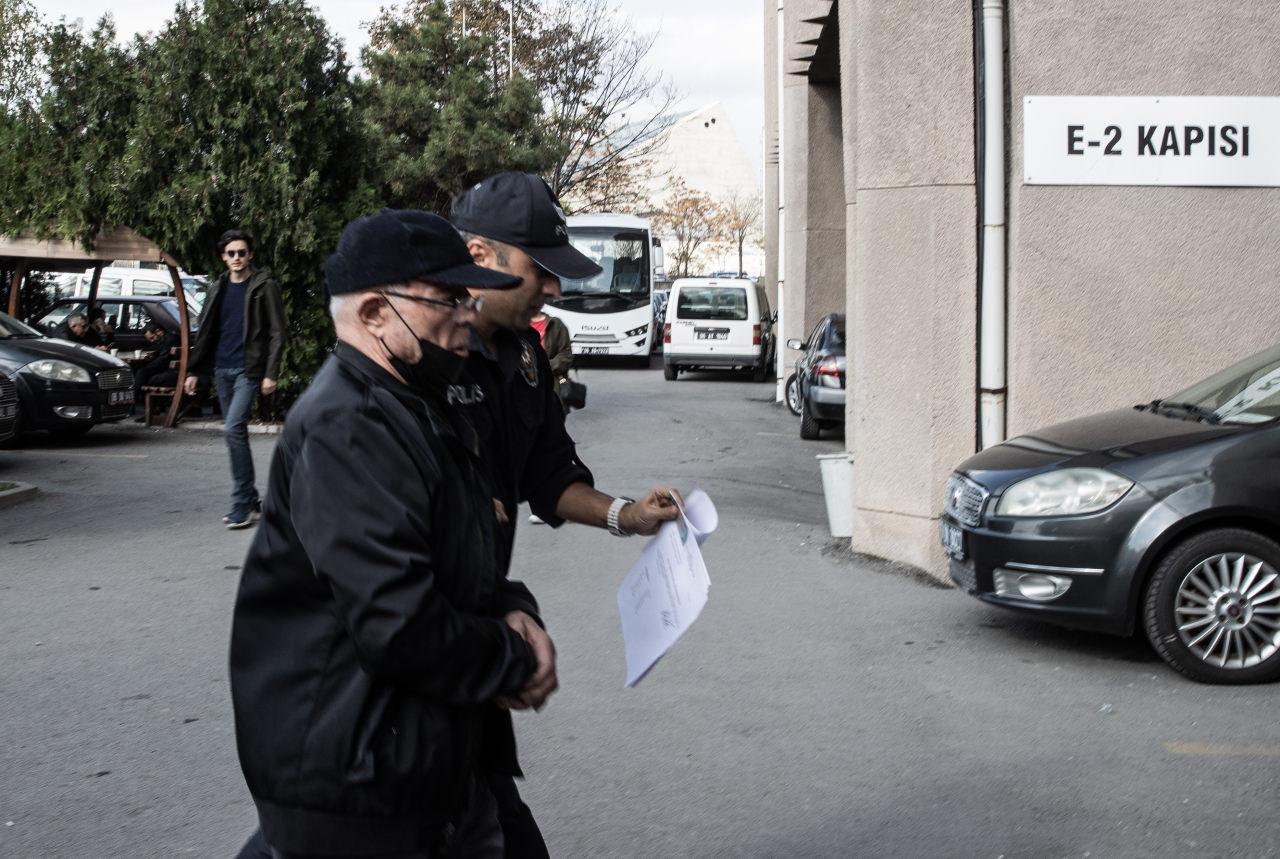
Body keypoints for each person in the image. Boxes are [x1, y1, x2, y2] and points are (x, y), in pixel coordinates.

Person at [230, 209, 556, 859]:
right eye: (447, 298)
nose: (467, 313)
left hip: (421, 768)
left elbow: (458, 550)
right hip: (357, 786)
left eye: (469, 295)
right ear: (376, 313)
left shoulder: (421, 401)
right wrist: (514, 659)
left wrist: (511, 606)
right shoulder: (348, 425)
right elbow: (398, 622)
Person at [450, 171, 681, 857]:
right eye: (540, 270)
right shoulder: (421, 357)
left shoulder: (523, 355)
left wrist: (628, 516)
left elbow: (547, 474)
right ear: (481, 255)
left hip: (478, 627)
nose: (554, 288)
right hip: (426, 648)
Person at [183, 229, 286, 530]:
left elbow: (278, 332)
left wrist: (271, 373)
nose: (237, 258)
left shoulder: (264, 286)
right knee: (234, 436)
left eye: (242, 252)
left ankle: (242, 503)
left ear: (250, 254)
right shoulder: (218, 287)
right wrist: (194, 371)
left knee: (233, 429)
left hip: (248, 370)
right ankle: (252, 498)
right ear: (223, 256)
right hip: (222, 369)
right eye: (231, 253)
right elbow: (205, 332)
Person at [131, 324, 180, 412]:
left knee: (142, 375)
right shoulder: (169, 338)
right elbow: (161, 353)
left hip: (173, 374)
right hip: (171, 371)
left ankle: (134, 404)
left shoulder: (170, 340)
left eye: (152, 337)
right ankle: (138, 405)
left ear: (158, 331)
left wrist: (146, 368)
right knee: (141, 374)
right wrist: (153, 356)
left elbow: (161, 361)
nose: (152, 341)